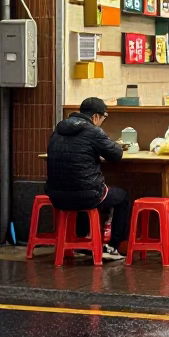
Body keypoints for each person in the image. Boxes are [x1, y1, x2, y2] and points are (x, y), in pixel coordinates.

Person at [45, 97, 129, 260]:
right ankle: (113, 246)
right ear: (96, 116)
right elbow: (116, 155)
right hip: (85, 196)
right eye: (104, 118)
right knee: (122, 197)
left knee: (83, 186)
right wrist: (118, 145)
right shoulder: (93, 131)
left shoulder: (58, 130)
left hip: (56, 196)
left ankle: (83, 240)